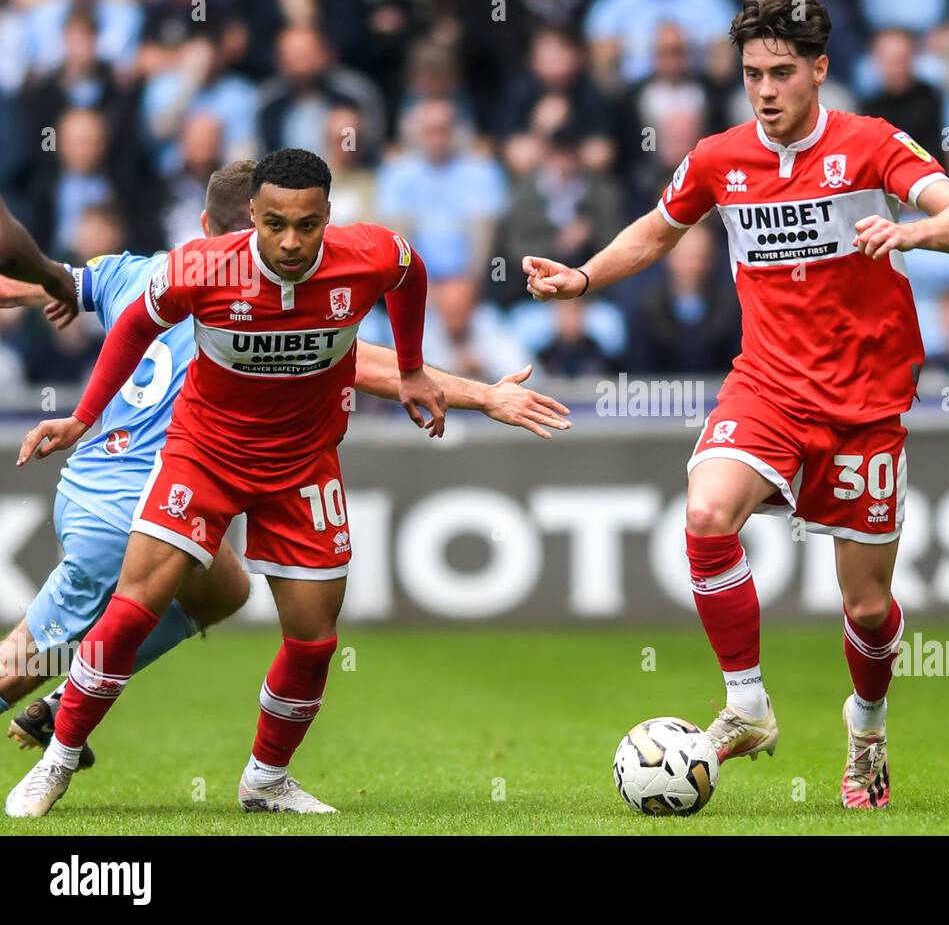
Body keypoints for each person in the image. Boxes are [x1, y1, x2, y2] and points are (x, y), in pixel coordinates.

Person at [524, 0, 949, 810]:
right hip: (768, 386)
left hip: (866, 405)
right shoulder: (718, 157)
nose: (766, 90)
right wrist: (584, 277)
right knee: (706, 514)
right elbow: (657, 230)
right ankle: (747, 704)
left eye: (781, 72)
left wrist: (909, 231)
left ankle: (868, 726)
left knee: (869, 607)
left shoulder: (871, 145)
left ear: (820, 70)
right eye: (751, 74)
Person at [0, 160, 571, 776]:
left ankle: (70, 696)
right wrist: (484, 395)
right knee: (18, 666)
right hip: (135, 503)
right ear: (253, 225)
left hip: (90, 487)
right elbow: (365, 363)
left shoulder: (141, 273)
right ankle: (72, 693)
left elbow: (55, 278)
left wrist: (46, 288)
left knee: (224, 589)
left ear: (200, 224)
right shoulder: (256, 296)